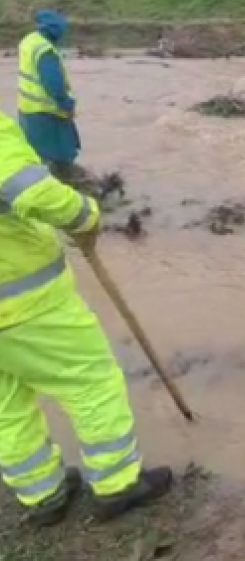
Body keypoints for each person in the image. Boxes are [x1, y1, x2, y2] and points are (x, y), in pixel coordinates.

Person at [0, 110, 172, 526]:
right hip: (24, 303)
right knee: (91, 383)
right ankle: (117, 484)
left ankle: (43, 495)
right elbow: (29, 190)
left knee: (6, 404)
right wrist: (85, 216)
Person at [17, 10, 81, 175]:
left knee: (35, 155)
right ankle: (62, 188)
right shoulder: (45, 50)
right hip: (47, 113)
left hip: (27, 109)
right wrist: (67, 105)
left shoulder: (29, 41)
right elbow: (54, 84)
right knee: (60, 156)